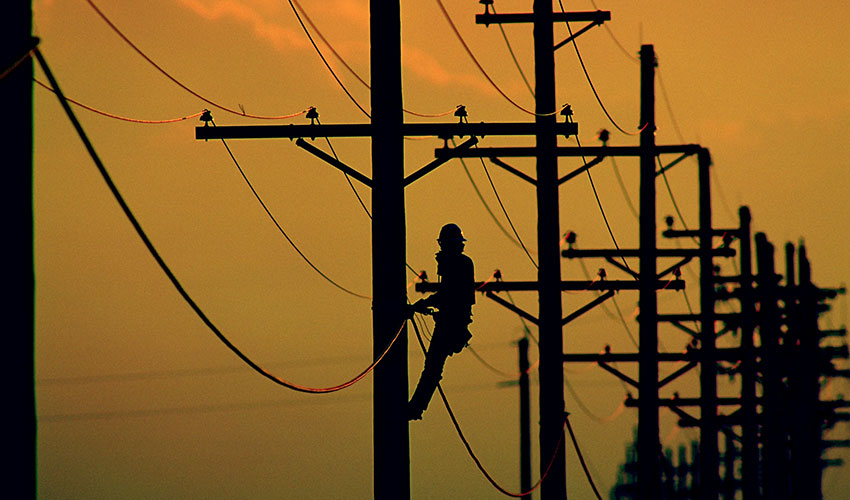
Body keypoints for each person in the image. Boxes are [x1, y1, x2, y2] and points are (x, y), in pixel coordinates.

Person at [408, 223, 475, 421]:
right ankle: (416, 407)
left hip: (452, 323)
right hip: (451, 321)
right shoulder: (457, 263)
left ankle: (416, 408)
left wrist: (423, 303)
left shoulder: (459, 264)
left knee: (433, 366)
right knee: (433, 366)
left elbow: (449, 294)